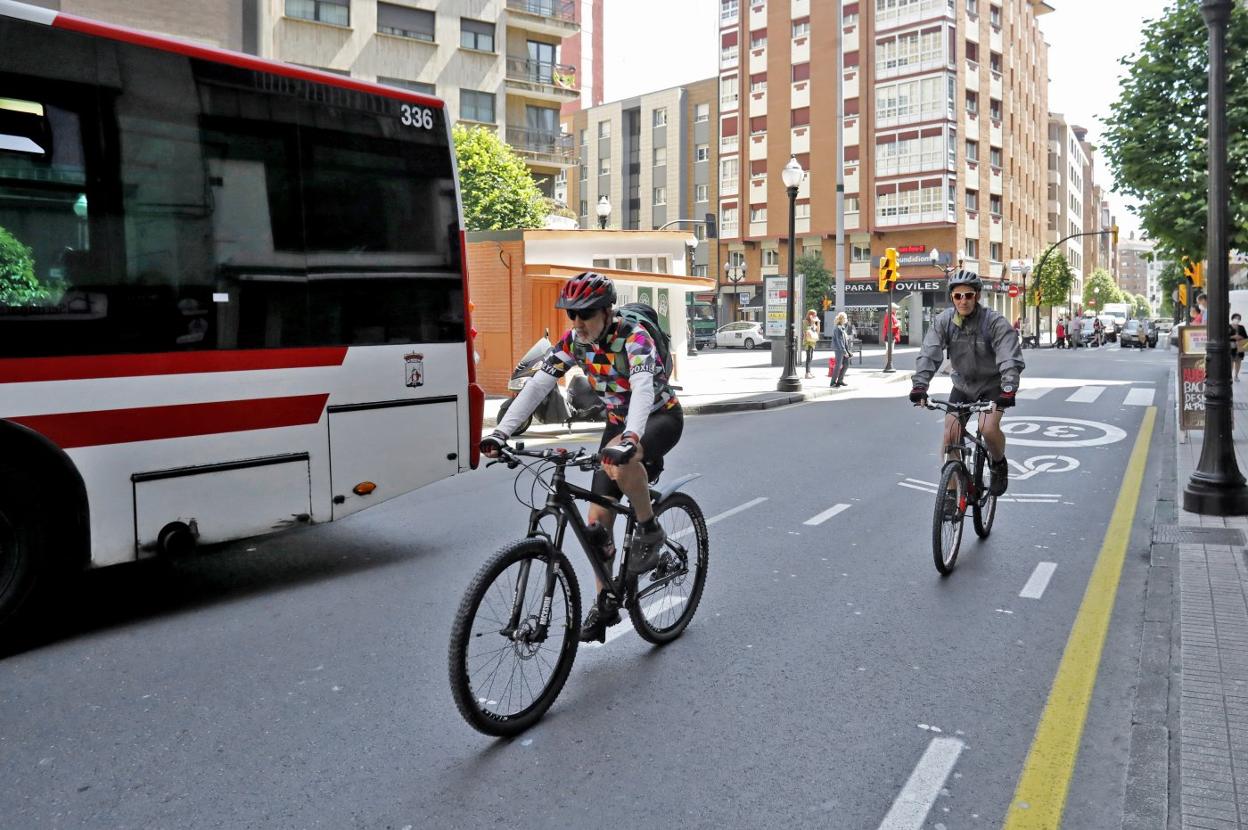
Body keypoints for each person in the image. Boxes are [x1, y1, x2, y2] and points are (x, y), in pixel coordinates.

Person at [479, 272, 684, 642]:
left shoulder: (634, 338)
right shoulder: (573, 342)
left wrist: (631, 437)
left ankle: (650, 529)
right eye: (571, 314)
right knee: (597, 524)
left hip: (658, 417)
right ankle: (605, 601)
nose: (577, 322)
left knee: (623, 462)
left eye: (585, 313)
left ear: (606, 311)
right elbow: (537, 386)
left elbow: (641, 389)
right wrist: (501, 432)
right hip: (618, 421)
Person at [908, 270, 1025, 497]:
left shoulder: (994, 322)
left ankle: (999, 464)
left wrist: (1009, 388)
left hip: (993, 385)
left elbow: (1008, 356)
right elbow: (929, 352)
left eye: (968, 295)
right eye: (958, 296)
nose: (963, 301)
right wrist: (920, 386)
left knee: (987, 428)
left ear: (977, 296)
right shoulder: (945, 321)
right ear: (952, 297)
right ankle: (952, 496)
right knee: (950, 436)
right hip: (962, 385)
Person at [829, 311, 851, 387]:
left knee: (846, 364)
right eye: (845, 318)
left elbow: (844, 339)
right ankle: (833, 382)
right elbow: (839, 341)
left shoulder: (842, 327)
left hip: (843, 349)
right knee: (838, 365)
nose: (846, 319)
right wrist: (844, 352)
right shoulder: (838, 328)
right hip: (839, 349)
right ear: (842, 319)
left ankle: (840, 380)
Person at [803, 309, 821, 379]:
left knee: (811, 357)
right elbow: (807, 331)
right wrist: (812, 322)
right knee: (808, 357)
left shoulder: (813, 322)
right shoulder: (805, 322)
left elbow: (817, 331)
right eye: (814, 315)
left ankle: (809, 372)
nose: (815, 316)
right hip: (808, 342)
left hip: (813, 341)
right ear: (810, 315)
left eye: (816, 315)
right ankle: (807, 373)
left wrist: (818, 322)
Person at [1232, 313, 1247, 382]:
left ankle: (1236, 376)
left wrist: (1241, 337)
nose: (1237, 320)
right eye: (1236, 318)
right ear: (1232, 318)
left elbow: (1246, 337)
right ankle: (1230, 376)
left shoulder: (1241, 327)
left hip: (1240, 347)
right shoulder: (1228, 327)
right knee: (1231, 362)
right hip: (1231, 347)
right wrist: (1233, 337)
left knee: (1238, 362)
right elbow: (1225, 337)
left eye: (1238, 319)